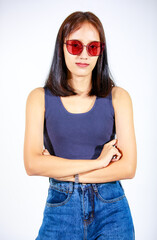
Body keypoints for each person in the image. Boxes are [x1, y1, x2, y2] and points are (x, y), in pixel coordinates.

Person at [23, 11, 137, 240]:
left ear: (100, 52)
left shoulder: (119, 97)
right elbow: (32, 164)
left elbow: (128, 168)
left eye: (93, 47)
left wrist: (63, 171)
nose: (84, 54)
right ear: (62, 47)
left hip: (112, 208)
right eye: (75, 46)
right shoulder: (39, 98)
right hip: (61, 207)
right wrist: (98, 164)